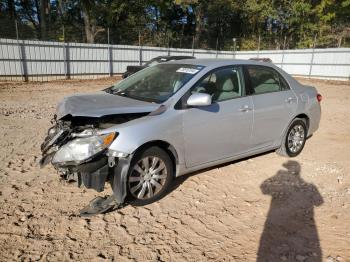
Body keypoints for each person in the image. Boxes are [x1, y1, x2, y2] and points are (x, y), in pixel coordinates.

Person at [257, 160, 323, 261]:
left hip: (281, 223)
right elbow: (319, 202)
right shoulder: (309, 186)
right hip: (301, 226)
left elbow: (263, 188)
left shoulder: (282, 181)